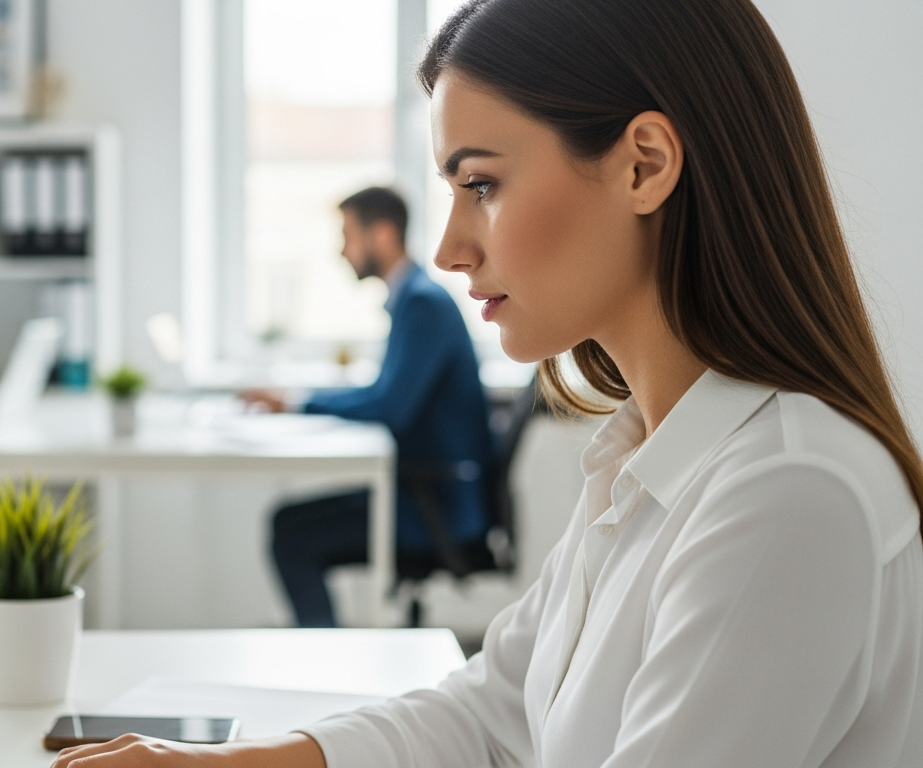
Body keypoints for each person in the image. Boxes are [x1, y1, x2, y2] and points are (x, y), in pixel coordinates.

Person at [52, 0, 923, 765]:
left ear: (645, 165)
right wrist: (254, 763)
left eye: (482, 184)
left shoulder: (786, 493)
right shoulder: (645, 452)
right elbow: (496, 714)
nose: (449, 248)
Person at [242, 186, 494, 628]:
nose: (341, 251)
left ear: (381, 234)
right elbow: (387, 396)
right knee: (287, 522)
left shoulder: (422, 304)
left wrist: (297, 402)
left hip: (433, 506)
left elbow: (388, 406)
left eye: (347, 235)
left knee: (292, 535)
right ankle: (324, 653)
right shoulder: (414, 299)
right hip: (425, 491)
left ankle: (324, 660)